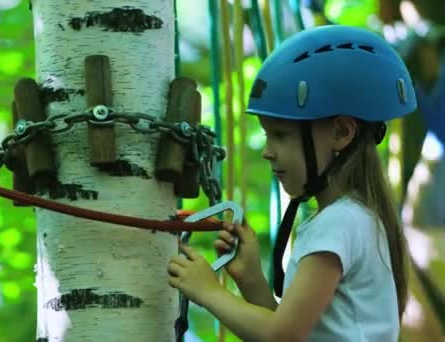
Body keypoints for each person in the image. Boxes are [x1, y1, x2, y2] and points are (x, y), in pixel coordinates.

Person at [167, 24, 416, 342]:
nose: (268, 152)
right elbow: (300, 331)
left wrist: (208, 292)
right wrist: (253, 281)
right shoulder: (357, 217)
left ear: (341, 133)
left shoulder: (338, 223)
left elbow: (283, 336)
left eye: (281, 135)